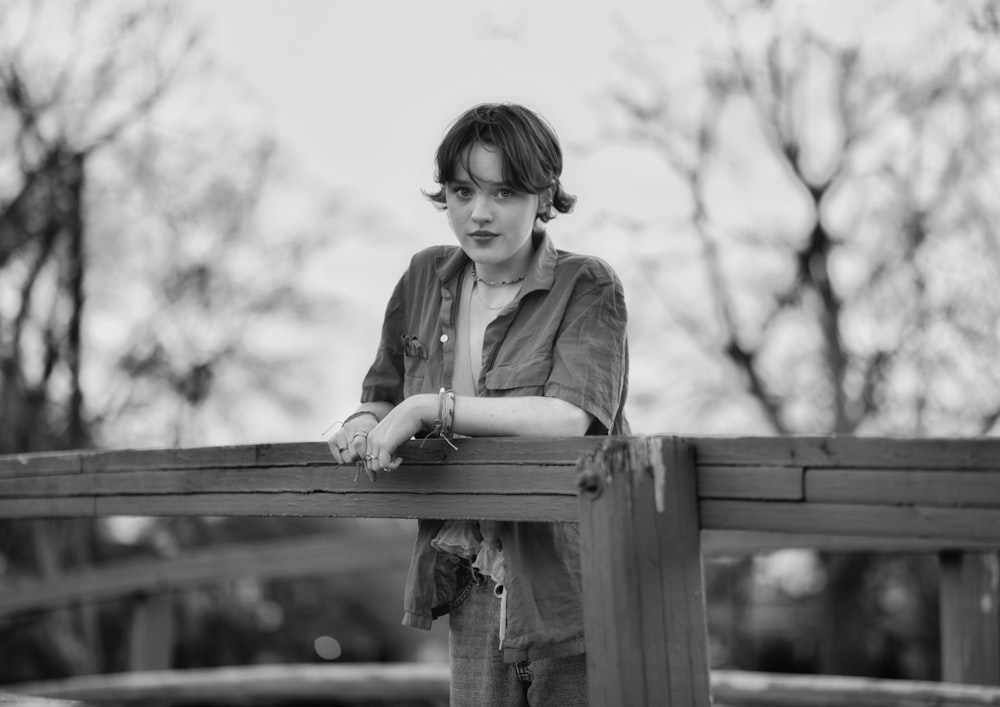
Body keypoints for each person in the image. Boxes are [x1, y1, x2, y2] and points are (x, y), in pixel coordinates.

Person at [326, 102, 629, 706]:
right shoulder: (422, 277)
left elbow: (572, 418)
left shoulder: (587, 285)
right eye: (463, 190)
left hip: (569, 577)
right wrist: (362, 422)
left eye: (505, 192)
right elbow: (382, 391)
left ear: (543, 196)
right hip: (467, 569)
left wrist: (425, 409)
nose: (478, 213)